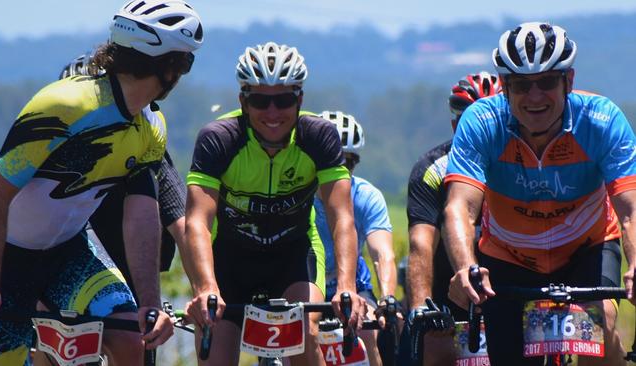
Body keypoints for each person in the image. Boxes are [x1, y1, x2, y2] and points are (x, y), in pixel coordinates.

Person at [0, 1, 203, 365]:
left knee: (130, 335)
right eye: (185, 62)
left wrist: (150, 303)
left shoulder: (151, 126)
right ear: (169, 67)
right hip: (5, 258)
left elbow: (142, 214)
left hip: (68, 252)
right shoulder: (65, 105)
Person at [443, 21, 636, 365]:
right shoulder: (481, 123)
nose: (534, 97)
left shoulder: (602, 120)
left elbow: (629, 207)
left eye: (547, 82)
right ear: (504, 87)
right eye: (520, 85)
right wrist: (465, 268)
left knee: (598, 333)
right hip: (509, 257)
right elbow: (459, 207)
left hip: (585, 249)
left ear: (569, 81)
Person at [182, 42, 366, 365]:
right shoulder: (219, 139)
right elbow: (197, 222)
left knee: (305, 334)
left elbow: (342, 218)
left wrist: (347, 286)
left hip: (293, 256)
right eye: (259, 100)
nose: (272, 113)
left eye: (283, 100)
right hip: (230, 261)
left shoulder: (319, 137)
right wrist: (205, 287)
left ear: (300, 100)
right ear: (243, 101)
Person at [57, 51, 187, 300]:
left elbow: (182, 225)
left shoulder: (144, 147)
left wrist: (205, 289)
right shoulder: (47, 146)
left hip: (130, 265)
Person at [399, 71, 501, 366]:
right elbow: (421, 245)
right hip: (448, 290)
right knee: (430, 350)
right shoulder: (432, 168)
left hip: (507, 281)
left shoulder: (520, 160)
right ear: (456, 123)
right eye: (472, 120)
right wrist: (420, 308)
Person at [314, 110, 397, 366]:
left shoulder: (365, 196)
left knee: (368, 331)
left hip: (353, 284)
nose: (338, 171)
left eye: (346, 163)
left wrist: (387, 298)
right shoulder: (296, 194)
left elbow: (382, 254)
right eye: (328, 161)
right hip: (307, 283)